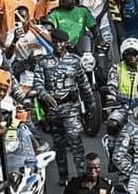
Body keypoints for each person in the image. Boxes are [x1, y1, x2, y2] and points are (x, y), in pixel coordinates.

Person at [32, 27, 94, 185]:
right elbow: (37, 83)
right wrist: (45, 95)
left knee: (75, 142)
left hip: (70, 108)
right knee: (59, 145)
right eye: (55, 42)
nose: (58, 45)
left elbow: (84, 84)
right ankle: (63, 177)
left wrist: (91, 104)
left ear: (66, 43)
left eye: (61, 42)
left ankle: (81, 175)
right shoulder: (43, 62)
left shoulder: (74, 61)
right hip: (53, 110)